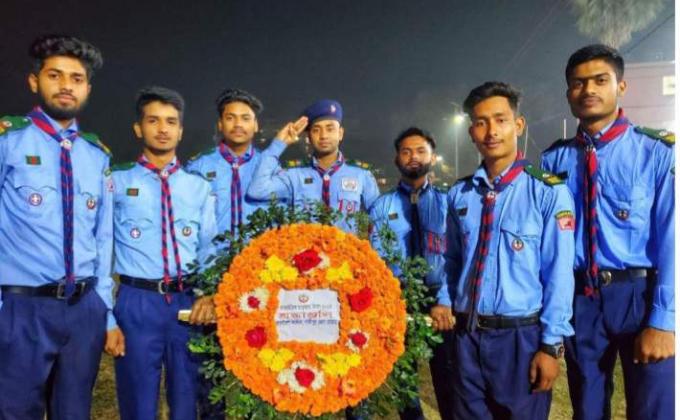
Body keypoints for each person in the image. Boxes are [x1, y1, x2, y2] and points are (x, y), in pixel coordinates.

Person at [541, 44, 675, 420]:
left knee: (653, 409)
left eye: (600, 80)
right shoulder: (553, 160)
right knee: (587, 408)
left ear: (621, 86)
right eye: (578, 83)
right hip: (581, 298)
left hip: (640, 294)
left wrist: (664, 320)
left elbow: (673, 238)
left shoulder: (656, 151)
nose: (588, 90)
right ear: (568, 93)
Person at [432, 81, 575, 419]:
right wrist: (444, 298)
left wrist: (550, 345)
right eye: (481, 122)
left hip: (520, 338)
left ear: (518, 125)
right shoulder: (460, 194)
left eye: (500, 120)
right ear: (471, 132)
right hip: (467, 336)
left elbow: (558, 273)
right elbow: (450, 259)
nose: (491, 131)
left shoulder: (548, 192)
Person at [0, 34, 114, 420]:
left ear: (87, 88)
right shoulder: (9, 141)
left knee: (74, 411)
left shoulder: (96, 155)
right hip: (22, 307)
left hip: (83, 309)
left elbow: (103, 238)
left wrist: (102, 307)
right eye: (55, 75)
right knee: (15, 411)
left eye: (76, 78)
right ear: (34, 81)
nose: (66, 86)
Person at [110, 86, 217, 420]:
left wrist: (208, 293)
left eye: (171, 122)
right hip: (137, 301)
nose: (162, 129)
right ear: (138, 128)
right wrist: (107, 316)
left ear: (180, 131)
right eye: (153, 120)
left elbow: (209, 248)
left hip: (187, 301)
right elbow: (98, 248)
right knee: (138, 400)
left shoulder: (198, 186)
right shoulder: (116, 181)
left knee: (186, 399)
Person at [368, 127, 455, 420]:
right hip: (398, 299)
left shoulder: (447, 202)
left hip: (439, 300)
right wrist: (387, 302)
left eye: (420, 150)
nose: (413, 157)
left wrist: (445, 299)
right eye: (406, 151)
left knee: (448, 379)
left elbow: (455, 258)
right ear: (397, 159)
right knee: (404, 382)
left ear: (432, 156)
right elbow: (377, 260)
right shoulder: (382, 206)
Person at [247, 99, 380, 232]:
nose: (323, 136)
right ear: (309, 137)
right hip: (305, 245)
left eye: (330, 129)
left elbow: (379, 219)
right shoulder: (294, 175)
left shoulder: (361, 174)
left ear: (340, 133)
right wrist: (279, 144)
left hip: (346, 245)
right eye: (316, 130)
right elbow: (257, 191)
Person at [186, 88, 268, 237]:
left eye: (245, 118)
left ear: (256, 125)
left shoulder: (268, 166)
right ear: (220, 124)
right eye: (230, 118)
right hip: (214, 251)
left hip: (258, 249)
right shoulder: (199, 167)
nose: (238, 124)